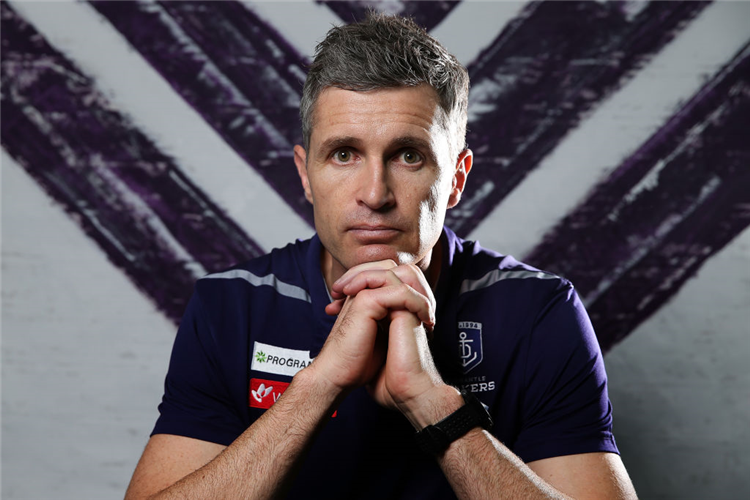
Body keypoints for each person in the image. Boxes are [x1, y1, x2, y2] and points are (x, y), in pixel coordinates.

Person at [125, 13, 637, 500]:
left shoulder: (536, 311)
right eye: (344, 153)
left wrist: (430, 400)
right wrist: (318, 386)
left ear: (456, 178)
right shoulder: (231, 307)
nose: (374, 193)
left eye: (408, 155)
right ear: (306, 174)